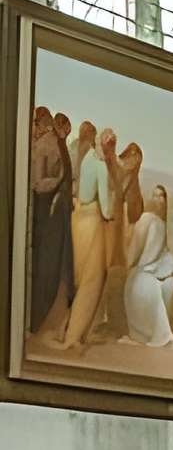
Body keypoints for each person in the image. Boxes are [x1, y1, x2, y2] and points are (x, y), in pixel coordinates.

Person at [61, 121, 111, 350]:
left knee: (78, 279)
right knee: (92, 282)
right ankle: (75, 336)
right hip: (92, 224)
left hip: (77, 220)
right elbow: (106, 209)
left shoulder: (87, 156)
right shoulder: (101, 167)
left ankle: (67, 330)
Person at [123, 187, 173, 350]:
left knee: (168, 285)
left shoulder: (160, 223)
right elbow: (134, 252)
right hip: (141, 275)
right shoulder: (147, 219)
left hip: (147, 275)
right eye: (155, 196)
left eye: (161, 196)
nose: (158, 200)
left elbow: (161, 255)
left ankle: (148, 334)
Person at [28, 106, 68, 333]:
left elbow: (38, 182)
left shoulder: (46, 145)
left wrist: (57, 183)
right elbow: (39, 181)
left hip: (42, 205)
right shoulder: (46, 145)